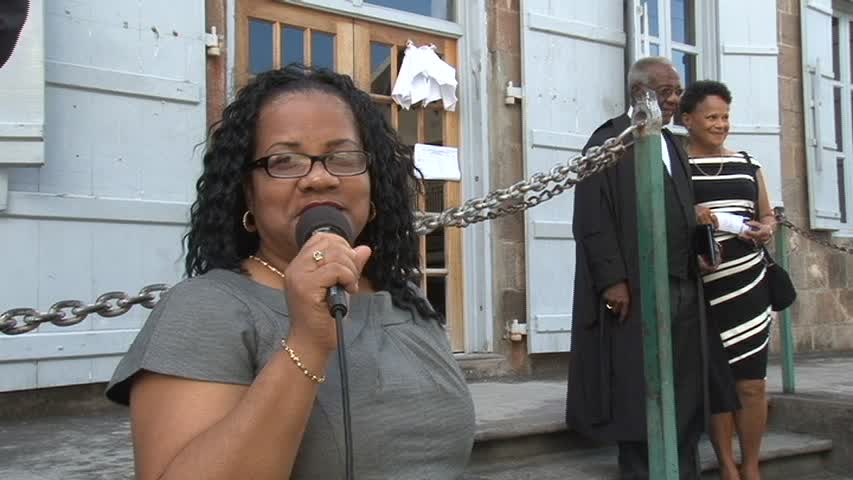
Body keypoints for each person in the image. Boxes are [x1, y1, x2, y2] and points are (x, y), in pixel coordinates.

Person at [105, 65, 475, 480]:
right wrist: (307, 342)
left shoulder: (405, 295)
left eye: (343, 157)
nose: (319, 177)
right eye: (285, 160)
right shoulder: (203, 309)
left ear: (372, 184)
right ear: (248, 192)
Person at [565, 57, 739, 480]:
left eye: (677, 91)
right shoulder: (607, 141)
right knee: (638, 388)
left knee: (685, 385)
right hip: (636, 290)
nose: (676, 99)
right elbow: (592, 218)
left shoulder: (673, 144)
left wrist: (699, 247)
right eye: (666, 92)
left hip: (682, 287)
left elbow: (682, 207)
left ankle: (683, 469)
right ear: (639, 93)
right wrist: (612, 281)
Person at [682, 80, 775, 480]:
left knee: (752, 382)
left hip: (750, 285)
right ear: (688, 120)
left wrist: (767, 228)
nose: (721, 125)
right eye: (712, 117)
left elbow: (768, 214)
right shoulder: (677, 168)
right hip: (706, 284)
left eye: (725, 117)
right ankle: (726, 466)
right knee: (718, 380)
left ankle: (751, 465)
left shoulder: (748, 163)